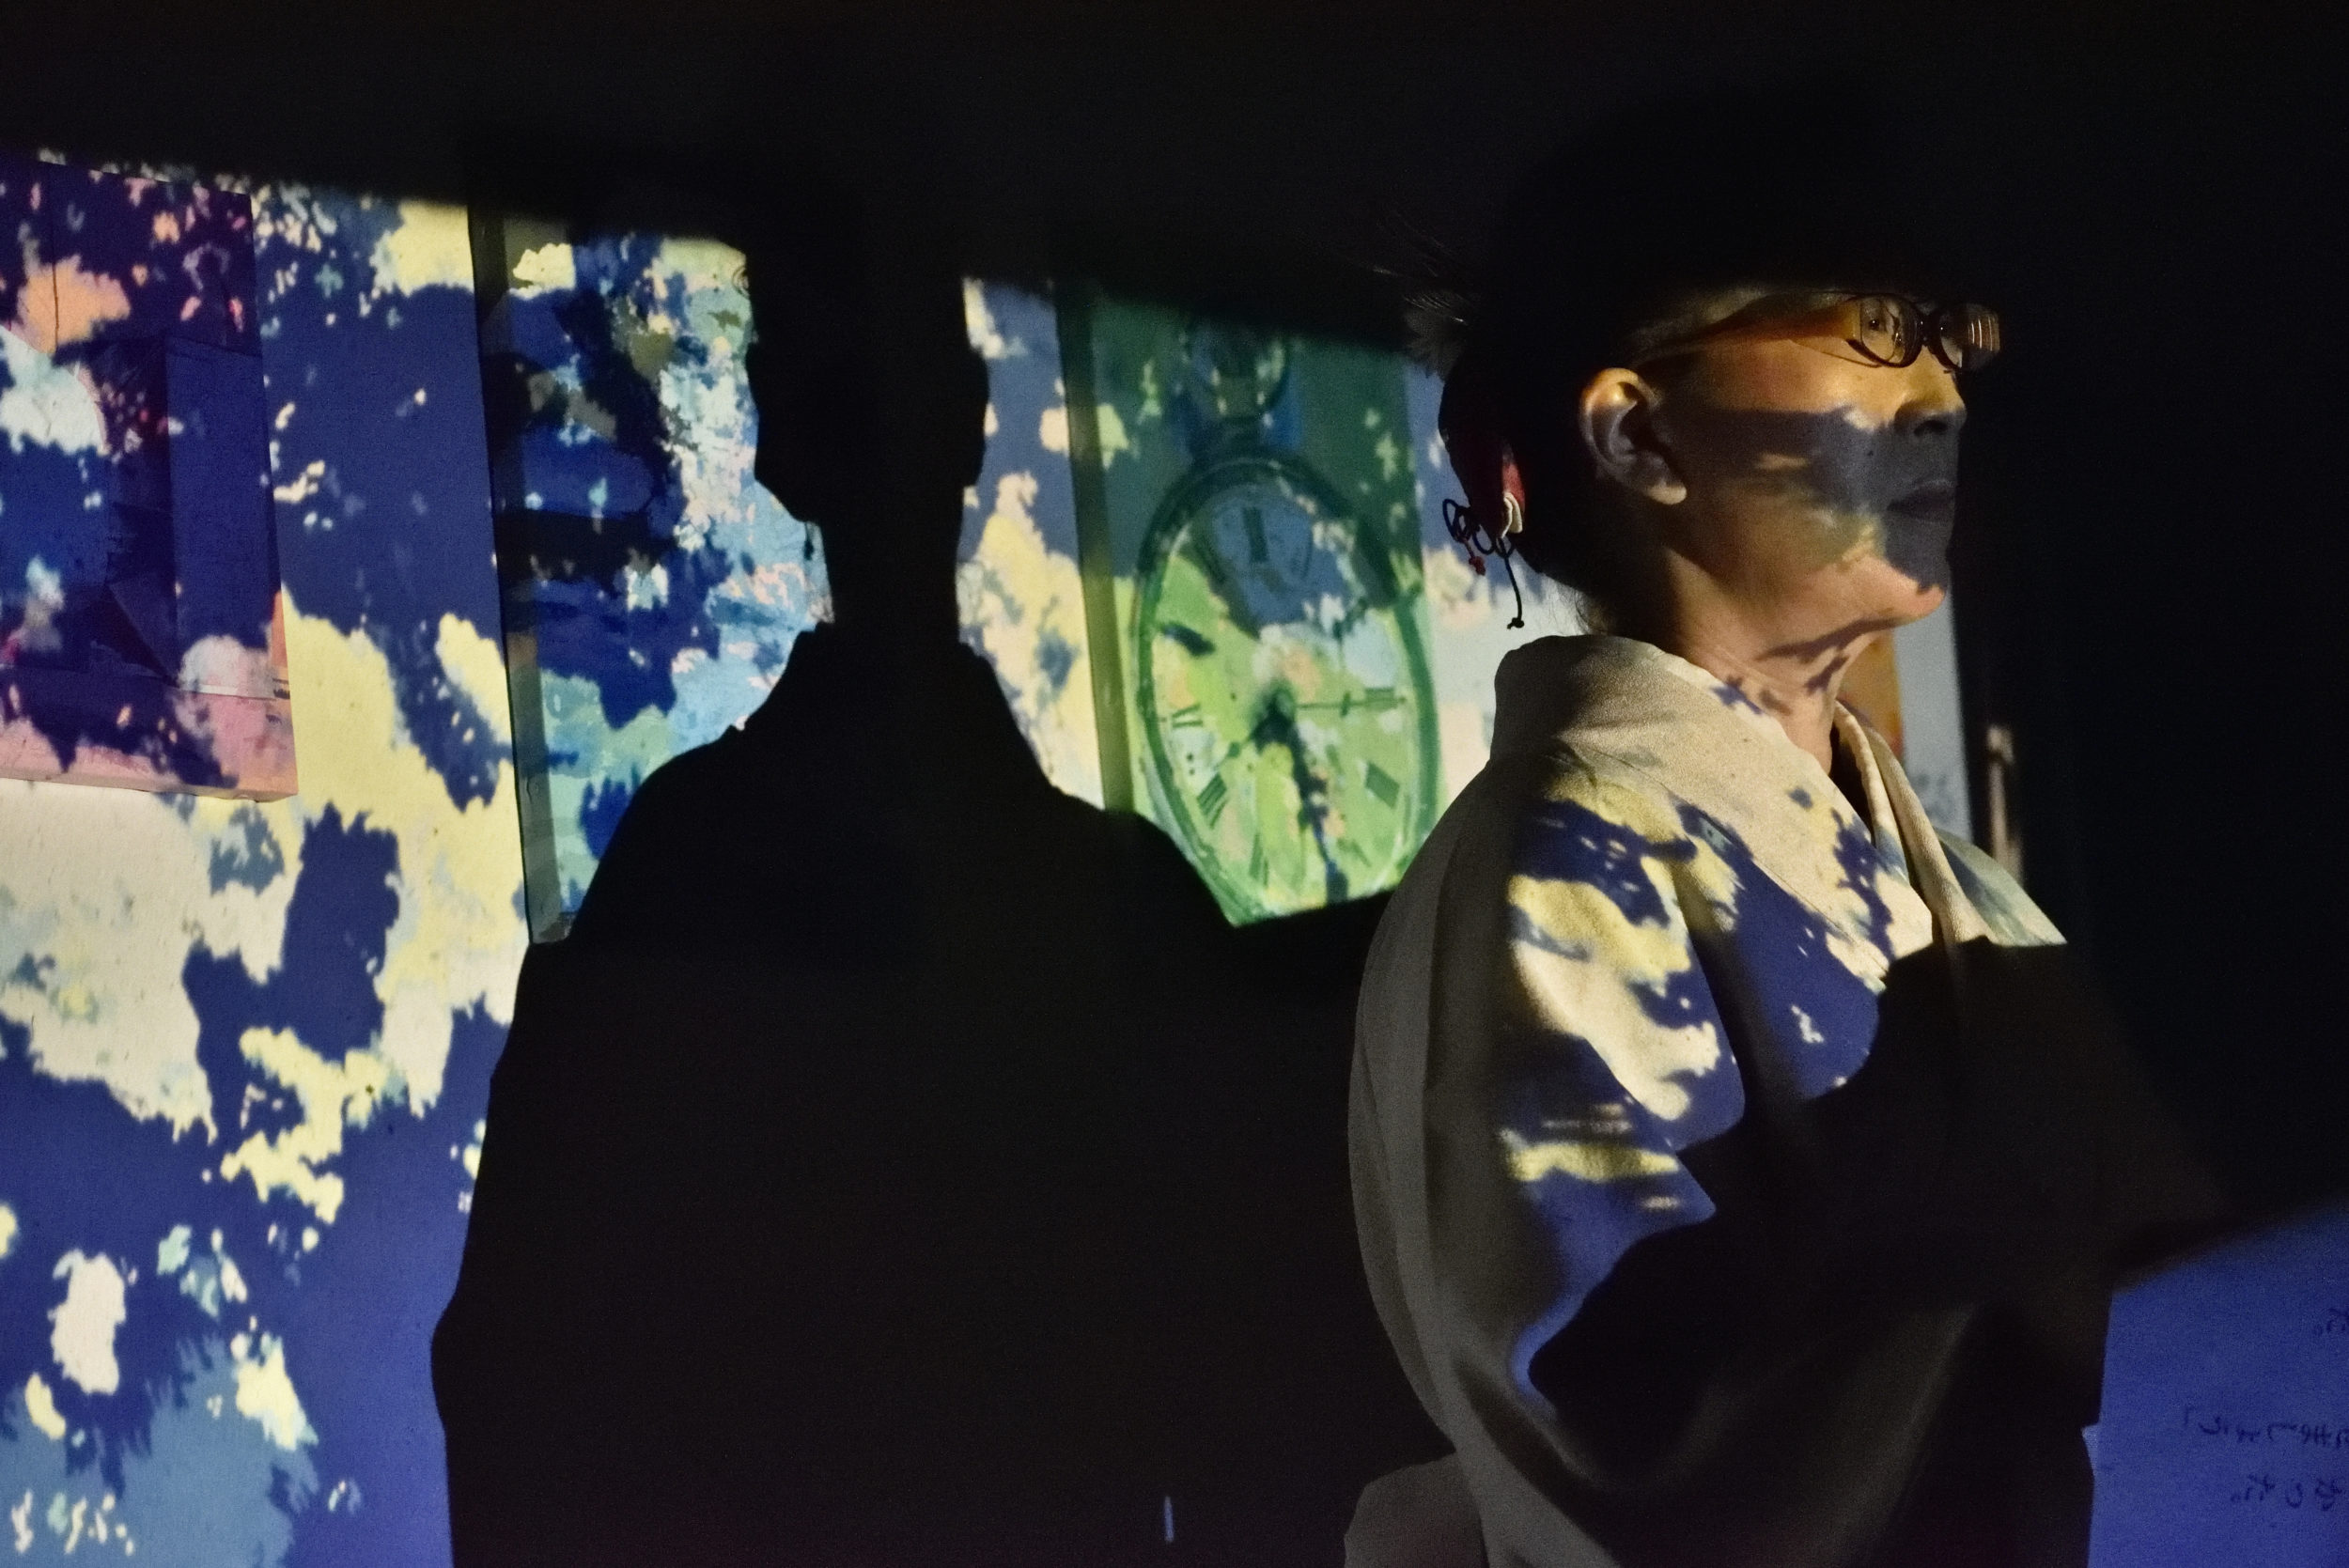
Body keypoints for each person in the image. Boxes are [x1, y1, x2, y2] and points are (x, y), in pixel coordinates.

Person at [1346, 88, 2221, 1568]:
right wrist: (2047, 1296)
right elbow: (1622, 1439)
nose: (1945, 391)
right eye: (1881, 326)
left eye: (1951, 338)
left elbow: (2184, 1291)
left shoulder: (1959, 886)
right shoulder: (1562, 863)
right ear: (1639, 433)